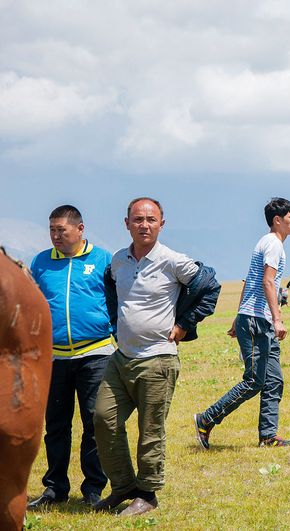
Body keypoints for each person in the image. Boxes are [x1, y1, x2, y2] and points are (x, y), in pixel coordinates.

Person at [93, 197, 219, 516]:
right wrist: (115, 324)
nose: (144, 225)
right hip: (122, 358)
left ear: (162, 223)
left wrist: (184, 326)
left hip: (158, 359)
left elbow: (210, 287)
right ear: (127, 224)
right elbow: (112, 292)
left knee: (150, 431)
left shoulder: (172, 261)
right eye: (137, 219)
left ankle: (147, 494)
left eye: (151, 219)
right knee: (103, 419)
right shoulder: (118, 260)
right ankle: (123, 486)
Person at [194, 198, 290, 450]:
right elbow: (266, 281)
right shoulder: (273, 244)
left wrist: (237, 315)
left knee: (273, 380)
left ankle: (268, 436)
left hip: (254, 318)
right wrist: (277, 319)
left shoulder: (270, 243)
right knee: (254, 380)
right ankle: (206, 419)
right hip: (257, 321)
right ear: (278, 220)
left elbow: (249, 281)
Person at [27, 206, 113, 510]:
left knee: (95, 424)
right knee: (57, 426)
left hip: (96, 354)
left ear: (80, 229)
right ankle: (55, 488)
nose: (55, 235)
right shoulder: (40, 262)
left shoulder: (102, 260)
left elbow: (115, 301)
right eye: (51, 229)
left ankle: (93, 489)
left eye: (61, 230)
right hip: (54, 359)